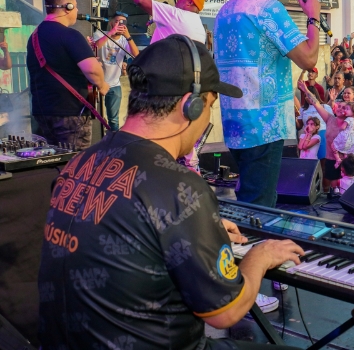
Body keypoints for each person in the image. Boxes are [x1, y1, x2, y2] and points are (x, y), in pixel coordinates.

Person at [37, 36, 305, 348]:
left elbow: (120, 229)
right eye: (210, 105)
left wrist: (195, 231)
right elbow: (225, 313)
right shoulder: (178, 186)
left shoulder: (79, 162)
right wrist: (260, 257)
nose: (208, 118)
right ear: (190, 105)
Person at [215, 0, 321, 207]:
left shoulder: (225, 11)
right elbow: (308, 58)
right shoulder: (267, 8)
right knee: (260, 206)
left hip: (235, 121)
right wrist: (313, 17)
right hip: (263, 124)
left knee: (249, 195)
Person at [27, 0, 109, 149]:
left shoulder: (34, 36)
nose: (77, 10)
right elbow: (92, 70)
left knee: (53, 163)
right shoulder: (70, 35)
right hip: (70, 114)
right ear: (67, 7)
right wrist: (102, 84)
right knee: (76, 166)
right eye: (76, 6)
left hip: (43, 112)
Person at [93, 14, 140, 131]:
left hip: (114, 84)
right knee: (94, 117)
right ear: (111, 23)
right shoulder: (100, 34)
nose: (120, 25)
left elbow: (137, 56)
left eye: (123, 22)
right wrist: (110, 33)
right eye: (117, 21)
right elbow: (94, 47)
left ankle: (112, 144)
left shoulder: (124, 40)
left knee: (113, 119)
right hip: (96, 83)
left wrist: (128, 36)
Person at [330, 100, 354, 167]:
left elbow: (343, 127)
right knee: (346, 153)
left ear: (353, 111)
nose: (345, 110)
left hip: (345, 138)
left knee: (333, 146)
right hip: (352, 141)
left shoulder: (349, 119)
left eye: (347, 109)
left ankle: (338, 159)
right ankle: (345, 161)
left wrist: (340, 126)